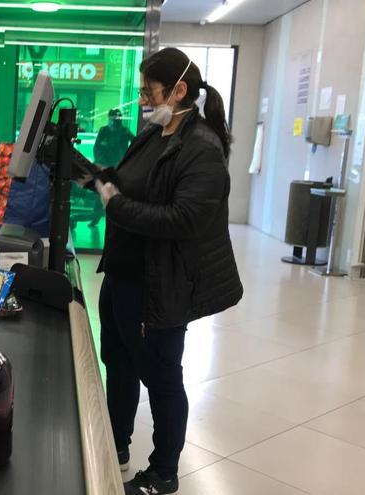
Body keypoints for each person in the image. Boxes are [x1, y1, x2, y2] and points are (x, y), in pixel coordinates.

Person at [86, 48, 243, 494]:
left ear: (178, 91)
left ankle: (164, 472)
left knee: (161, 377)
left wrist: (117, 204)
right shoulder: (155, 132)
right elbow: (132, 180)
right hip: (125, 272)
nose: (141, 101)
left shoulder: (201, 147)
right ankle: (116, 441)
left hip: (160, 284)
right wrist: (94, 176)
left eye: (148, 92)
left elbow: (183, 220)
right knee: (117, 360)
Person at [90, 109, 134, 226]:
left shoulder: (124, 131)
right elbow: (97, 147)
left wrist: (127, 159)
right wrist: (100, 162)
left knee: (118, 193)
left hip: (118, 166)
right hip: (105, 165)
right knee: (101, 192)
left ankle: (116, 220)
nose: (114, 122)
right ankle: (96, 217)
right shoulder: (104, 130)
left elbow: (135, 143)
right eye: (113, 119)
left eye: (117, 119)